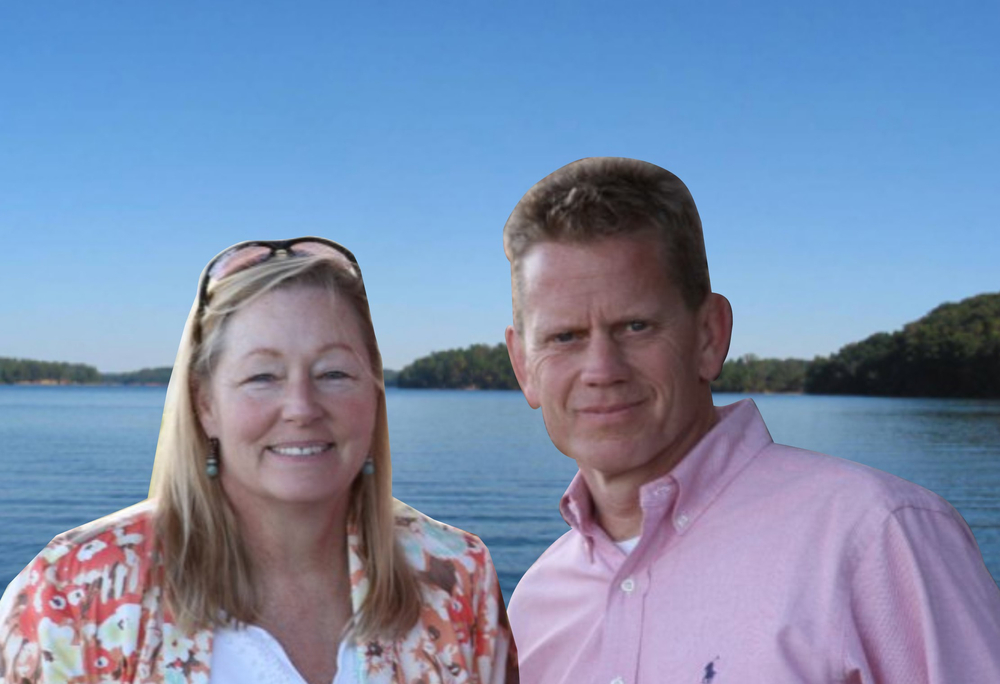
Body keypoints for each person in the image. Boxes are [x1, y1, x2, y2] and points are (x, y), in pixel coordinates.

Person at [501, 158, 1000, 683]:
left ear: (710, 336)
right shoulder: (533, 609)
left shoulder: (879, 538)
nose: (602, 370)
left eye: (636, 326)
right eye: (564, 337)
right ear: (523, 366)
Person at [0, 237, 518, 684]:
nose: (301, 408)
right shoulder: (73, 589)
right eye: (262, 376)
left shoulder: (456, 576)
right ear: (205, 404)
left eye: (334, 373)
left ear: (374, 393)